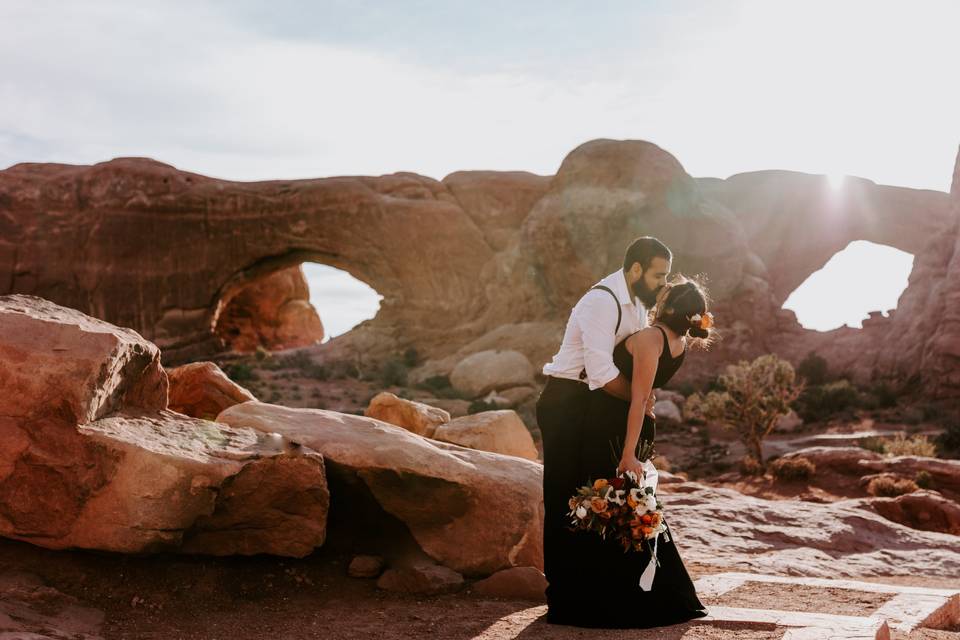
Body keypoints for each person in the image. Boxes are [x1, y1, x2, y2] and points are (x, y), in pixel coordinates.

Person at [548, 277, 715, 628]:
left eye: (665, 292)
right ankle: (642, 594)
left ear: (669, 305)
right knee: (623, 510)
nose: (659, 292)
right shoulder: (678, 343)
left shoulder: (652, 338)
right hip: (622, 428)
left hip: (617, 429)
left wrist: (628, 454)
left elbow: (639, 399)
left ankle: (619, 601)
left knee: (608, 508)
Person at [537, 236, 672, 617]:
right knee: (565, 496)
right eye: (658, 275)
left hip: (595, 407)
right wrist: (640, 400)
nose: (662, 283)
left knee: (595, 496)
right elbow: (600, 374)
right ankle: (561, 597)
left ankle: (593, 589)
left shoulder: (639, 307)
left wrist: (642, 397)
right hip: (566, 401)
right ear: (635, 270)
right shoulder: (601, 301)